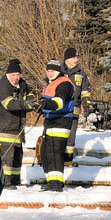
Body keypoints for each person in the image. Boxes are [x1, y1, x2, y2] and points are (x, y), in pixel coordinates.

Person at [0, 58, 37, 188]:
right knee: (7, 156)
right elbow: (10, 104)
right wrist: (25, 104)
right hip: (5, 125)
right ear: (8, 75)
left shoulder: (22, 84)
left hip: (18, 126)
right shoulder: (2, 86)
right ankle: (4, 182)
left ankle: (15, 180)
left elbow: (31, 94)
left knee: (17, 155)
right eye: (13, 75)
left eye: (18, 75)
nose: (16, 78)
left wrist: (32, 102)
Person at [39, 59, 75, 192]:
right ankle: (51, 181)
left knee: (55, 152)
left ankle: (56, 184)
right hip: (50, 121)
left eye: (52, 71)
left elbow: (59, 102)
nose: (49, 73)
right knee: (45, 153)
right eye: (48, 71)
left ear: (58, 71)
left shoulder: (64, 84)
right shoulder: (50, 83)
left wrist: (45, 105)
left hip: (61, 120)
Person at [62, 47, 92, 167]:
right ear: (68, 59)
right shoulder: (59, 72)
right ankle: (58, 160)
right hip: (61, 111)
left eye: (77, 57)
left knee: (71, 137)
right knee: (60, 136)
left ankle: (68, 161)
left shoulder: (81, 73)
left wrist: (87, 104)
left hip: (74, 110)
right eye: (74, 57)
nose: (76, 59)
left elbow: (85, 91)